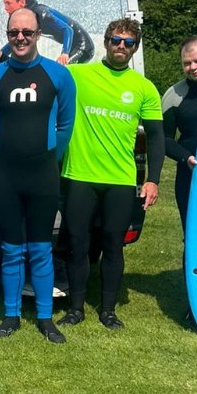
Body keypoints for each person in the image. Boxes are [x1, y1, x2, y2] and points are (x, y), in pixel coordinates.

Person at [0, 5, 75, 343]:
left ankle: (46, 319)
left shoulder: (59, 76)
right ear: (8, 36)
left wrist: (47, 159)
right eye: (14, 33)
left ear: (38, 35)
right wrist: (8, 158)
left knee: (41, 249)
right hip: (6, 175)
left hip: (43, 174)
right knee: (11, 249)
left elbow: (64, 127)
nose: (20, 38)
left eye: (27, 33)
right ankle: (10, 316)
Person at [58, 19, 164, 330]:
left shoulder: (144, 88)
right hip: (80, 176)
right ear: (106, 42)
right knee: (77, 245)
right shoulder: (78, 75)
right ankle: (75, 309)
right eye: (116, 40)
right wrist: (0, 56)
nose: (121, 46)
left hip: (120, 180)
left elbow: (156, 137)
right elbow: (36, 74)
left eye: (129, 42)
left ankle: (108, 311)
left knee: (113, 246)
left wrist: (153, 179)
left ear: (135, 47)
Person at [0, 0, 94, 74]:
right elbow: (13, 44)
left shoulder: (42, 14)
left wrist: (65, 53)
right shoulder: (27, 19)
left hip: (83, 47)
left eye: (8, 3)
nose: (5, 8)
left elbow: (68, 30)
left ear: (22, 2)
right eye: (4, 4)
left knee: (60, 70)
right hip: (72, 47)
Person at [161, 36, 197, 230]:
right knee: (194, 236)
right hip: (191, 176)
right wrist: (186, 158)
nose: (193, 67)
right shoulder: (175, 94)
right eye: (187, 63)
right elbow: (164, 138)